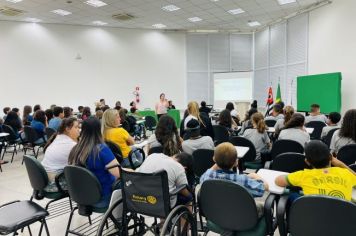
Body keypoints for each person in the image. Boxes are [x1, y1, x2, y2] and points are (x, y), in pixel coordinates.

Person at [275, 140, 356, 201]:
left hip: (313, 220)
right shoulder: (345, 173)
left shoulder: (303, 175)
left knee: (291, 194)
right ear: (331, 157)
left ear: (307, 162)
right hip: (345, 220)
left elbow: (278, 181)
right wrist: (341, 165)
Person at [200, 142, 268, 214]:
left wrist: (219, 160)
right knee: (262, 207)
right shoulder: (242, 180)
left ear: (214, 159)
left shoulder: (207, 176)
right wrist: (256, 176)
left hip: (217, 215)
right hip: (241, 216)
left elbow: (208, 173)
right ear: (236, 162)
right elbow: (264, 188)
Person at [68, 117, 121, 208]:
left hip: (83, 197)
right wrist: (132, 171)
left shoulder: (75, 149)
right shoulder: (101, 149)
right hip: (104, 197)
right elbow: (119, 173)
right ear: (99, 130)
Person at [41, 118, 80, 191]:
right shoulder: (71, 145)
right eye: (76, 127)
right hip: (55, 184)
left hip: (45, 181)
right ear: (67, 129)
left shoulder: (57, 139)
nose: (79, 129)